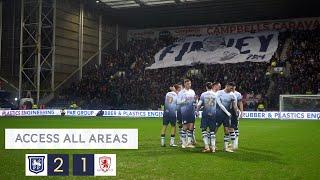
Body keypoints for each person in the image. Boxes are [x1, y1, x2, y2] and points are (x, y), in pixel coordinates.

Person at [215, 82, 238, 152]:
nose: (232, 90)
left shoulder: (232, 95)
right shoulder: (219, 93)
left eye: (233, 89)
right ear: (227, 86)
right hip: (218, 114)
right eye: (231, 88)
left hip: (227, 116)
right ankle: (211, 145)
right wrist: (227, 112)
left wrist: (236, 113)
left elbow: (234, 105)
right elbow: (220, 104)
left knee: (227, 130)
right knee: (214, 129)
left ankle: (226, 147)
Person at [196, 82, 217, 152]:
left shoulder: (203, 94)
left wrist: (197, 111)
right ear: (212, 87)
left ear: (206, 87)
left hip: (205, 114)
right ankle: (213, 148)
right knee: (212, 131)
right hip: (213, 114)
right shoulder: (215, 94)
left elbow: (199, 104)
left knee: (204, 130)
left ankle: (207, 147)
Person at [177, 79, 197, 148]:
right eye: (188, 84)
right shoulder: (181, 92)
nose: (189, 85)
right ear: (185, 84)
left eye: (190, 84)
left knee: (191, 127)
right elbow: (178, 102)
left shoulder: (192, 91)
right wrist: (184, 101)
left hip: (192, 111)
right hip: (185, 111)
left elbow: (194, 101)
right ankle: (183, 143)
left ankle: (189, 143)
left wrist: (195, 101)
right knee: (185, 127)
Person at [230, 86, 243, 150]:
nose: (232, 88)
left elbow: (240, 103)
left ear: (235, 87)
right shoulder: (227, 93)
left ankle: (235, 143)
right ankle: (233, 143)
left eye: (233, 87)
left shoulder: (238, 94)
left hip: (235, 112)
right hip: (229, 112)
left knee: (235, 127)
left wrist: (242, 112)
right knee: (230, 127)